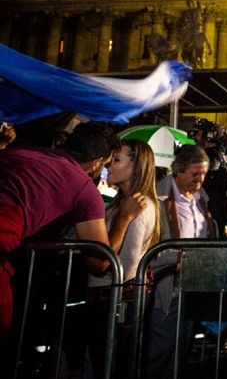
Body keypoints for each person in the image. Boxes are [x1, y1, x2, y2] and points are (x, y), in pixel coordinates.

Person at [0, 121, 119, 344]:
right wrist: (125, 218)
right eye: (107, 163)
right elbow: (100, 261)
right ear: (95, 163)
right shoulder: (84, 189)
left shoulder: (22, 151)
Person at [87, 139, 160, 377]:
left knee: (112, 366)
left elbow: (127, 266)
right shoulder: (121, 201)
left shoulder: (141, 205)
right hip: (109, 297)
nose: (109, 165)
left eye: (116, 160)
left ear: (136, 166)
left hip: (118, 301)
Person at [146, 145, 212, 379]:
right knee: (162, 340)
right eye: (195, 173)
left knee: (184, 338)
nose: (200, 179)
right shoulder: (159, 197)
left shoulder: (201, 198)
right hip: (168, 280)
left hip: (195, 280)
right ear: (179, 171)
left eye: (204, 173)